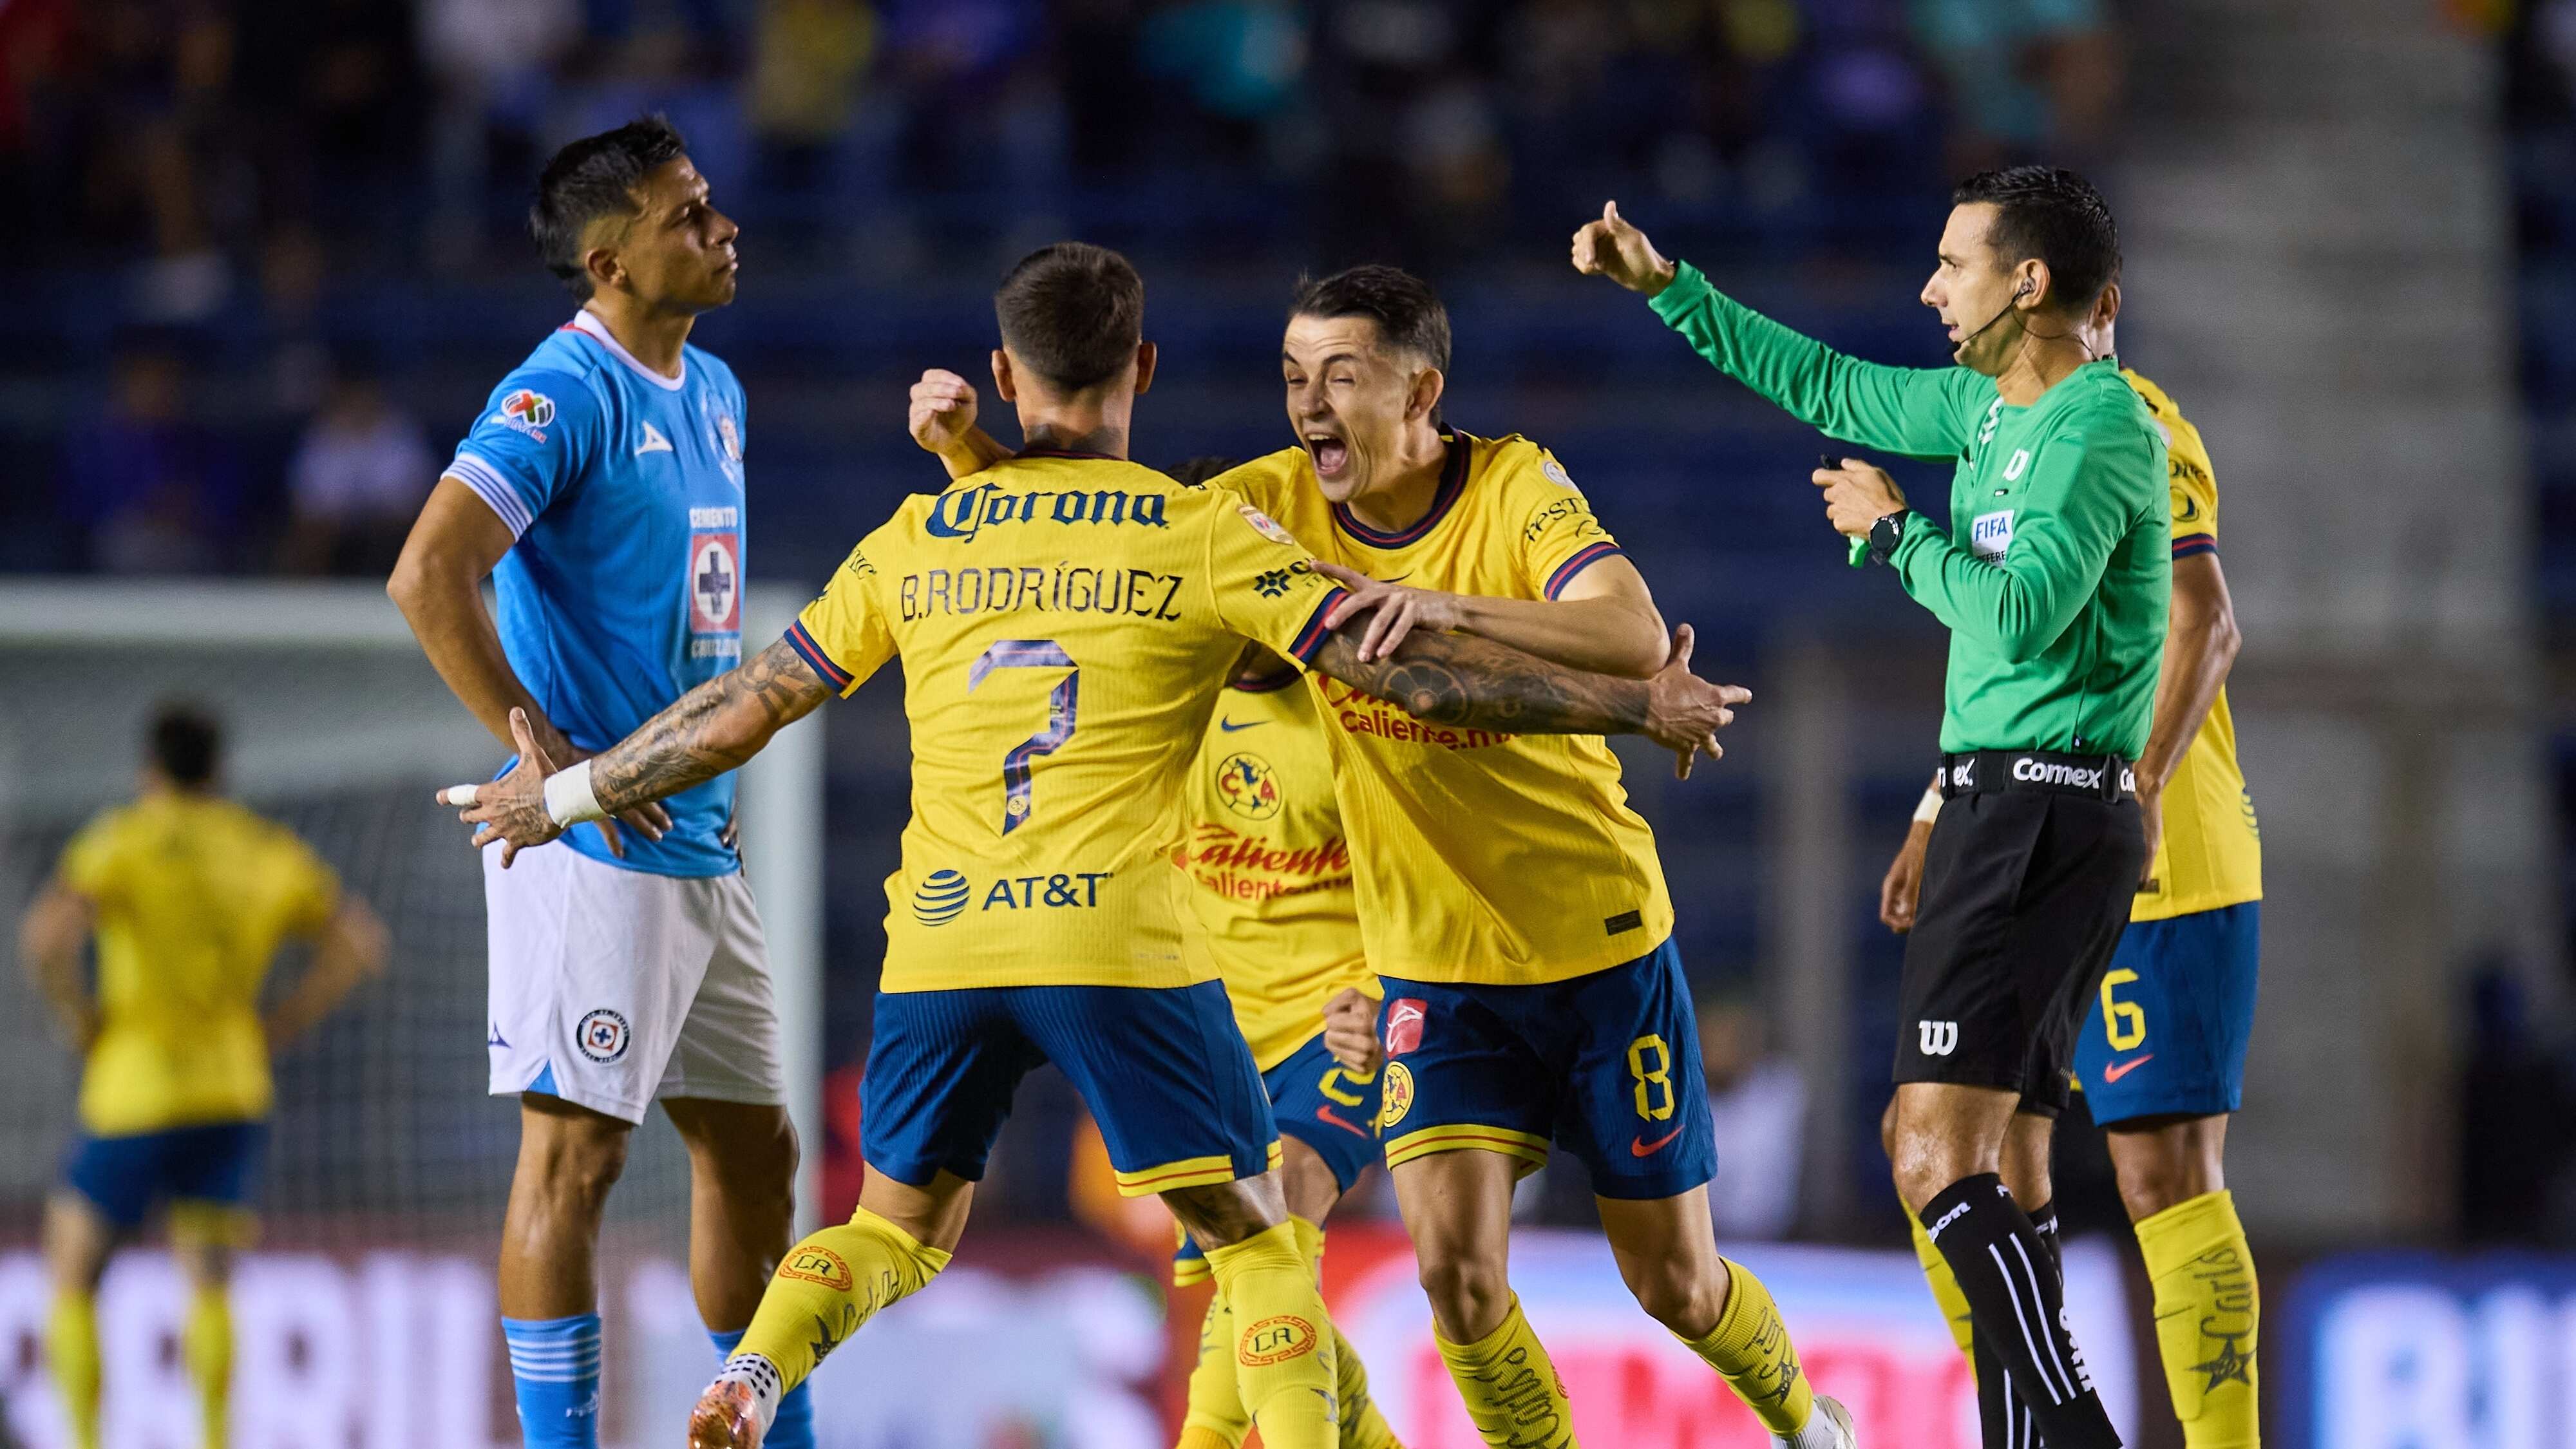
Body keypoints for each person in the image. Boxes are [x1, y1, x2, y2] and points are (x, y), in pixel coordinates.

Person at [444, 241, 1752, 1449]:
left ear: (1006, 376)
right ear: (1142, 368)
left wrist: (557, 798)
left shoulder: (916, 536)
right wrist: (1629, 704)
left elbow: (746, 708)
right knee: (1253, 1242)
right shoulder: (1199, 535)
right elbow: (1415, 679)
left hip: (946, 943)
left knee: (889, 1227)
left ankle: (754, 1372)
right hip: (1119, 947)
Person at [914, 264, 1853, 1449]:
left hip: (1595, 942)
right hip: (1433, 970)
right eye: (1295, 378)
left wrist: (1443, 605)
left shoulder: (1514, 486)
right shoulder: (1268, 502)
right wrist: (969, 459)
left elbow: (1625, 632)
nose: (1309, 405)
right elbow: (1096, 552)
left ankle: (1808, 1421)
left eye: (1340, 378)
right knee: (1458, 1290)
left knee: (1675, 1285)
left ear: (1422, 392)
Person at [1576, 166, 2166, 1449]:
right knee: (1998, 1159)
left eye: (1952, 264)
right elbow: (1825, 384)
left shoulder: (2101, 428)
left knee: (1922, 1153)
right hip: (2002, 804)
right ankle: (2032, 1434)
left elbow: (2018, 615)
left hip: (2041, 813)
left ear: (2027, 281)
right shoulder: (1985, 409)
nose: (1926, 287)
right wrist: (1667, 288)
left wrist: (1893, 534)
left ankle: (2067, 1429)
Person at [384, 117, 813, 1449]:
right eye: (688, 215)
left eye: (711, 204)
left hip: (701, 840)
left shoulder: (719, 390)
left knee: (755, 1160)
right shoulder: (559, 392)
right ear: (608, 259)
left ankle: (756, 1428)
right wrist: (542, 755)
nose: (721, 227)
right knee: (575, 1161)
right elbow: (426, 572)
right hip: (595, 849)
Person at [1880, 282, 2264, 1449]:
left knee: (2163, 1177)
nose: (1942, 294)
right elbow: (2018, 660)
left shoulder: (2132, 423)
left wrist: (2137, 787)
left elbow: (2206, 621)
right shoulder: (2005, 436)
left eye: (1966, 268)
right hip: (2022, 834)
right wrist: (1939, 803)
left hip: (2158, 855)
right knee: (1951, 1144)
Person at [18, 702, 387, 1449]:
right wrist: (287, 1019)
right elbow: (360, 941)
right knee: (210, 1281)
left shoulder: (122, 840)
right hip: (232, 1088)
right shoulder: (259, 847)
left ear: (148, 771)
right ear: (219, 771)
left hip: (136, 1087)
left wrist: (77, 1015)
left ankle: (85, 1439)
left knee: (71, 1264)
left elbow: (45, 937)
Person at [1157, 452, 1401, 1449]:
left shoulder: (1355, 712)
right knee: (1262, 1287)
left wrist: (1386, 1002)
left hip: (1332, 1036)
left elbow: (1430, 881)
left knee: (1279, 1209)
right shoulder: (1152, 701)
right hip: (1209, 1051)